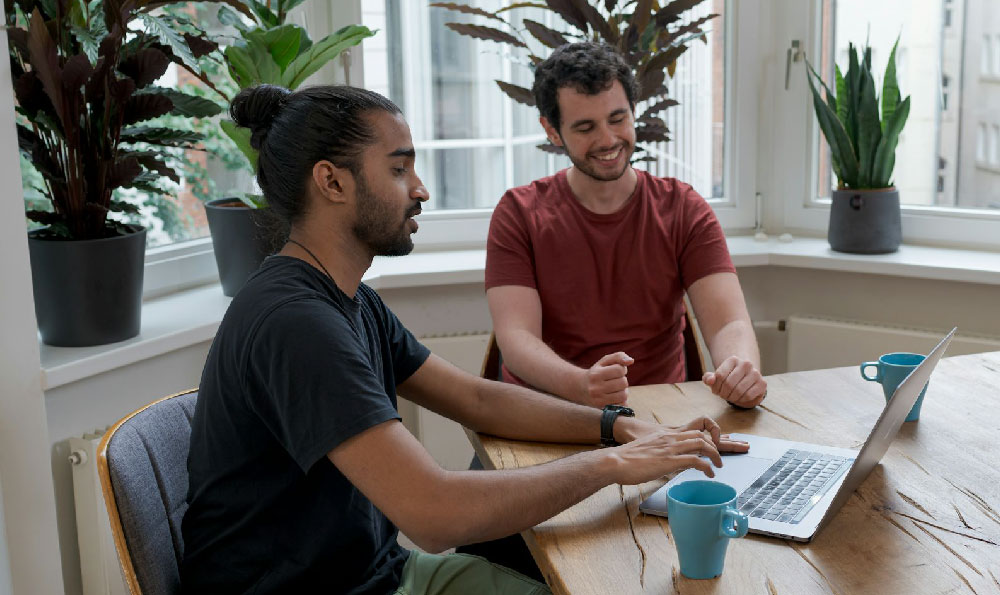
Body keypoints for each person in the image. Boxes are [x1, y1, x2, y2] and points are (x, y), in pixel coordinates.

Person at [180, 84, 749, 595]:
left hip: (375, 574)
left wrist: (616, 426)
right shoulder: (296, 323)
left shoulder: (349, 299)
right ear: (332, 182)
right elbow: (435, 515)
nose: (420, 189)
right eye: (400, 169)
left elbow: (474, 399)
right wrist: (616, 462)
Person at [486, 42, 767, 409]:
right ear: (552, 131)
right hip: (550, 410)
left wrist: (739, 369)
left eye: (617, 119)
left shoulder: (683, 208)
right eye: (585, 127)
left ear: (634, 111)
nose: (607, 140)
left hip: (659, 413)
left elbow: (729, 323)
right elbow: (517, 339)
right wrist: (582, 385)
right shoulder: (519, 213)